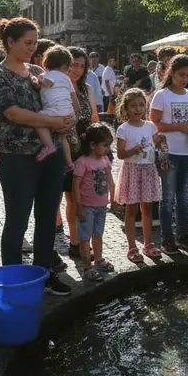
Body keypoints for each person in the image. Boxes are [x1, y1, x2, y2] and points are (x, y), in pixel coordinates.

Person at [0, 18, 73, 296]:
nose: (33, 48)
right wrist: (55, 122)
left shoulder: (36, 70)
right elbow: (11, 113)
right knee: (17, 221)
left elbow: (57, 97)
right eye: (28, 43)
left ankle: (43, 274)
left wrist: (66, 118)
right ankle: (12, 279)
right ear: (10, 43)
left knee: (47, 219)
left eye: (35, 42)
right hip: (18, 158)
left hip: (51, 155)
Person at [150, 54, 188, 254]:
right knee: (168, 197)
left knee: (184, 197)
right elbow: (154, 123)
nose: (185, 79)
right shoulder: (161, 95)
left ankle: (183, 235)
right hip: (167, 152)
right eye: (181, 74)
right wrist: (179, 127)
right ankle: (167, 238)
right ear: (171, 73)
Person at [115, 88, 164, 261]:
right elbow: (120, 154)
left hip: (148, 169)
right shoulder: (123, 129)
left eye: (141, 105)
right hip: (133, 170)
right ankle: (132, 246)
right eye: (133, 106)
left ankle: (148, 243)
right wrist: (132, 150)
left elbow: (157, 144)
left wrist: (162, 144)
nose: (138, 109)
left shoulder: (150, 126)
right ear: (126, 108)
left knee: (148, 207)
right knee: (131, 208)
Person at [62, 46, 101, 259]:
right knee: (70, 197)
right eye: (73, 65)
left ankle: (83, 240)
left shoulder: (87, 89)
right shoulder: (58, 88)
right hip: (66, 147)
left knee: (85, 198)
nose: (77, 70)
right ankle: (75, 241)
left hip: (86, 149)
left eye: (81, 66)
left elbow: (94, 118)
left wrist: (100, 146)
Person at [72, 123, 116, 282]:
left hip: (101, 206)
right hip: (86, 206)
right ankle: (87, 267)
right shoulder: (83, 162)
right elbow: (75, 185)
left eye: (109, 145)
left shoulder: (104, 160)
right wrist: (78, 206)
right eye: (105, 145)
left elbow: (110, 179)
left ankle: (98, 260)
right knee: (85, 238)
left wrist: (112, 196)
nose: (107, 149)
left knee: (98, 234)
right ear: (92, 145)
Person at [35, 45, 80, 167]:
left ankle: (49, 146)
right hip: (68, 111)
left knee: (38, 120)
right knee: (62, 138)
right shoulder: (67, 78)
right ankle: (69, 163)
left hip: (55, 110)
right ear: (65, 65)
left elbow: (47, 84)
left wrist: (38, 79)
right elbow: (74, 98)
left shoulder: (50, 74)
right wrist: (75, 113)